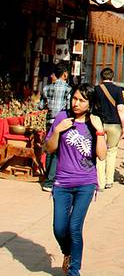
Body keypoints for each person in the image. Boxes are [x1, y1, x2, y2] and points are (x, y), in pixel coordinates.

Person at [44, 83, 107, 276]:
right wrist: (57, 131)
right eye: (74, 98)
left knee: (74, 227)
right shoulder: (62, 118)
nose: (76, 103)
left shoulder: (94, 122)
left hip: (85, 184)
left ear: (90, 103)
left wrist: (99, 132)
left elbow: (102, 155)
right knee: (59, 228)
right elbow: (49, 148)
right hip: (62, 182)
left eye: (81, 100)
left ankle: (73, 274)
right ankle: (67, 253)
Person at [39, 62, 71, 192]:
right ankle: (49, 182)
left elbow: (41, 106)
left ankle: (47, 177)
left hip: (49, 121)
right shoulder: (68, 89)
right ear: (65, 74)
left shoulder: (46, 88)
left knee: (49, 149)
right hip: (61, 122)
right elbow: (69, 107)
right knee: (57, 152)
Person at [94, 68, 124, 190]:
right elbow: (120, 109)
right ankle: (109, 180)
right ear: (112, 77)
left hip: (100, 124)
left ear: (101, 77)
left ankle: (100, 182)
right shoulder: (118, 90)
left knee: (100, 153)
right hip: (114, 125)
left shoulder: (96, 89)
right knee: (112, 152)